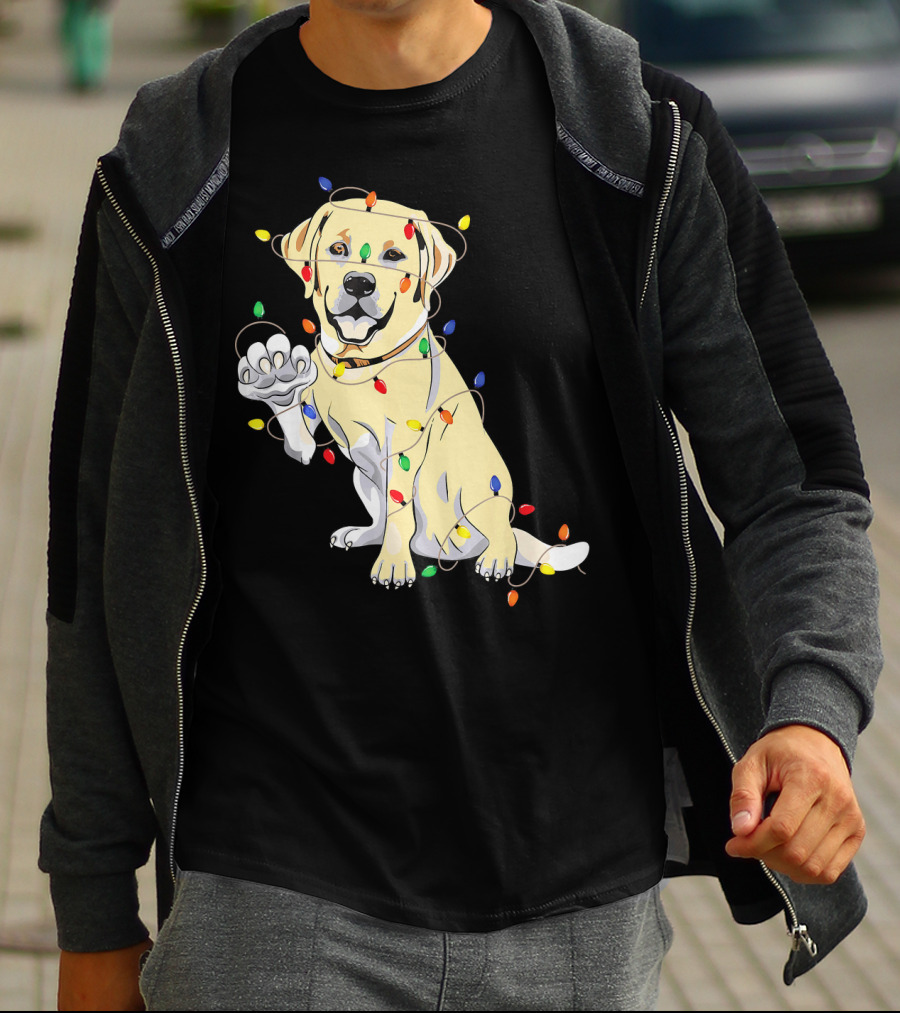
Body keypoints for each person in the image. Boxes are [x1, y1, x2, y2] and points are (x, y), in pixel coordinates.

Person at [41, 0, 880, 1009]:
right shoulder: (175, 163)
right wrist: (93, 908)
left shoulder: (635, 137)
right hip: (268, 891)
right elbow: (89, 556)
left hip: (580, 897)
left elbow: (797, 480)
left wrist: (813, 715)